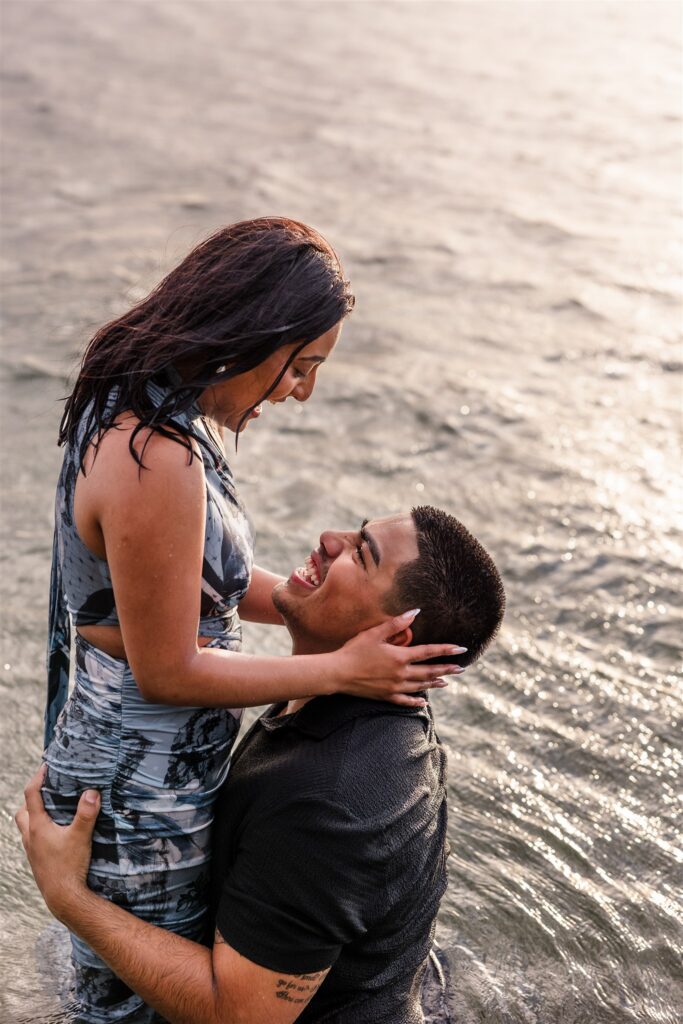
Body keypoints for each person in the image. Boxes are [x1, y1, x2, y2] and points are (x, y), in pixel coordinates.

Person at [40, 217, 463, 1022]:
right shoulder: (158, 458)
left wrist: (312, 610)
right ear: (254, 332)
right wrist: (339, 670)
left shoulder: (150, 417)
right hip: (143, 789)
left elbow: (193, 589)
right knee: (131, 1011)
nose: (301, 390)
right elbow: (168, 671)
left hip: (143, 774)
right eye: (300, 366)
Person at [18, 505, 505, 1024]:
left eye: (362, 554)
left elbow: (240, 1016)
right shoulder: (348, 696)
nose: (329, 538)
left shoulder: (331, 797)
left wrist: (68, 896)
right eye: (357, 529)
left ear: (395, 639)